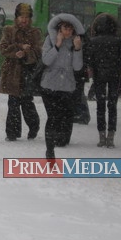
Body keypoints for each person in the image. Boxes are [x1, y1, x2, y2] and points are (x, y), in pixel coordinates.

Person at [40, 13, 85, 159]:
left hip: (66, 87)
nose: (68, 32)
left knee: (60, 118)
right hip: (49, 86)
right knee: (52, 117)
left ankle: (56, 141)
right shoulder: (50, 39)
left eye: (71, 29)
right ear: (59, 28)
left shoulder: (75, 43)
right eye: (66, 28)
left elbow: (77, 67)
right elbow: (46, 60)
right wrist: (57, 45)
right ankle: (50, 149)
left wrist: (78, 49)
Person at [0, 3, 42, 141]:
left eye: (27, 17)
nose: (24, 20)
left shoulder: (35, 33)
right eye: (21, 17)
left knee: (27, 102)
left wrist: (27, 53)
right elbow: (3, 48)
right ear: (16, 17)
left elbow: (38, 52)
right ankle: (12, 133)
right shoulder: (9, 30)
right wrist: (17, 48)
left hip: (28, 72)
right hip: (12, 72)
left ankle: (34, 127)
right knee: (13, 103)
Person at [86, 13, 121, 148]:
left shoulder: (93, 41)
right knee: (112, 106)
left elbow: (89, 59)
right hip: (114, 76)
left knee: (100, 106)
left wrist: (97, 66)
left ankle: (101, 137)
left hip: (99, 76)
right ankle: (111, 137)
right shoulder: (118, 41)